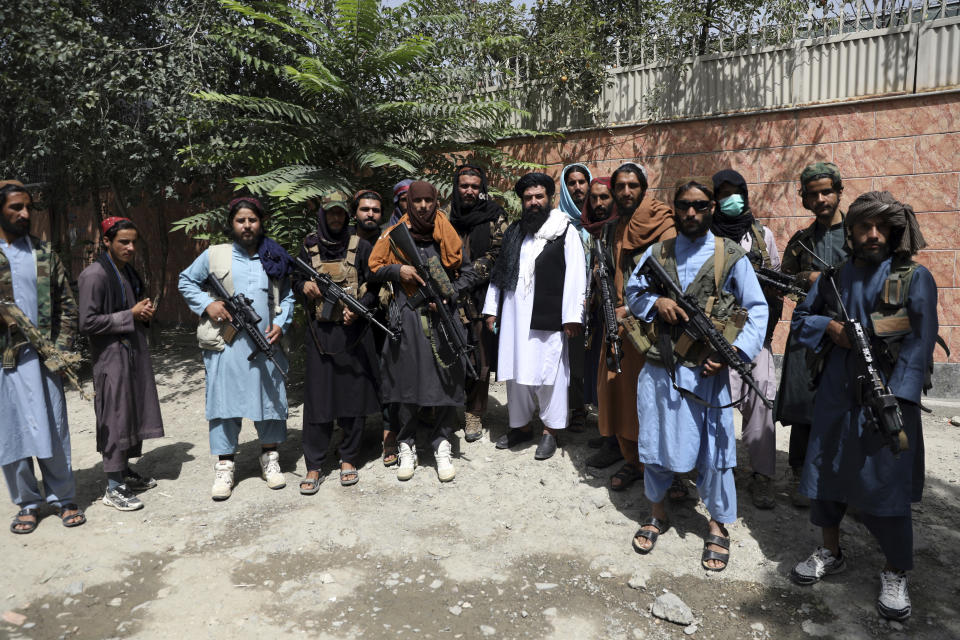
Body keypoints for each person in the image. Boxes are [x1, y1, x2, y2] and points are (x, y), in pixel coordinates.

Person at [789, 191, 937, 622]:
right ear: (850, 231)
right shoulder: (834, 277)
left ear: (893, 231)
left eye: (880, 227)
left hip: (888, 398)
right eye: (863, 226)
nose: (872, 235)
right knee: (826, 477)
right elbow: (800, 321)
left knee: (886, 489)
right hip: (835, 397)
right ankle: (830, 551)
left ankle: (895, 571)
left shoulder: (912, 276)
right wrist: (829, 326)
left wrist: (895, 395)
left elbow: (921, 335)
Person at [625, 177, 767, 572]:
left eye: (700, 206)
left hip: (707, 370)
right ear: (675, 209)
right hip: (661, 366)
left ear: (712, 209)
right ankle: (658, 512)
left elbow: (757, 310)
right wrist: (659, 301)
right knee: (654, 442)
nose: (691, 213)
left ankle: (718, 525)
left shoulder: (730, 255)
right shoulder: (657, 252)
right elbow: (633, 294)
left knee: (716, 450)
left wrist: (733, 353)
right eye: (684, 205)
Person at [178, 197, 295, 500]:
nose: (247, 225)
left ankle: (270, 459)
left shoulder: (274, 255)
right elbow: (186, 281)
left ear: (261, 222)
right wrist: (209, 304)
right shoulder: (215, 254)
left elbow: (289, 295)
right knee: (223, 404)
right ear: (232, 223)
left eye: (252, 220)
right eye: (241, 220)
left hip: (265, 342)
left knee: (270, 402)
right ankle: (225, 466)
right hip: (226, 344)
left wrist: (282, 324)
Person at [368, 181, 468, 482]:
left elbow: (456, 261)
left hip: (441, 314)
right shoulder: (394, 231)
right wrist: (399, 271)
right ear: (409, 202)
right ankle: (406, 444)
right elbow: (374, 267)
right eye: (418, 201)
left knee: (445, 379)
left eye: (429, 200)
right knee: (407, 382)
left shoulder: (443, 226)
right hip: (409, 314)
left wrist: (446, 295)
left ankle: (441, 443)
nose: (424, 206)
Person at [0, 181, 85, 533]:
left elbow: (67, 305)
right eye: (15, 207)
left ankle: (63, 498)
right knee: (12, 433)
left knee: (54, 428)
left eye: (28, 208)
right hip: (5, 362)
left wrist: (61, 351)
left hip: (45, 358)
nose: (24, 214)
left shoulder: (44, 253)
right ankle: (28, 502)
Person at [483, 172, 586, 460]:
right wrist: (492, 309)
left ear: (550, 198)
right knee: (517, 373)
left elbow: (577, 277)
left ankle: (550, 431)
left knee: (549, 372)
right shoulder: (515, 233)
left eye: (539, 196)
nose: (533, 202)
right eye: (528, 198)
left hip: (549, 317)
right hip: (515, 318)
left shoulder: (565, 231)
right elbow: (499, 274)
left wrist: (572, 316)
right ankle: (520, 426)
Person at [594, 163, 675, 490]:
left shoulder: (663, 224)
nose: (626, 192)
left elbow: (672, 280)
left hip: (652, 325)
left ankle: (663, 468)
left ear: (643, 188)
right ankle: (633, 462)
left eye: (633, 185)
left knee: (654, 400)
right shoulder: (614, 226)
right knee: (621, 395)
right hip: (620, 326)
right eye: (621, 186)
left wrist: (637, 305)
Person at [294, 194, 381, 491]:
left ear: (347, 216)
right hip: (319, 334)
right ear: (322, 214)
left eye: (340, 214)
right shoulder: (308, 247)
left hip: (352, 333)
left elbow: (374, 284)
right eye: (330, 214)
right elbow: (293, 278)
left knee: (352, 398)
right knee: (318, 399)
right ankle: (314, 464)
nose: (335, 219)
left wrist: (359, 308)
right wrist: (302, 284)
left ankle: (348, 458)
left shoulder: (362, 246)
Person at [774, 162, 848, 508]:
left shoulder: (859, 233)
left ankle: (844, 478)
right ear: (804, 199)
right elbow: (783, 282)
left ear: (838, 191)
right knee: (805, 404)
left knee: (850, 404)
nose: (821, 199)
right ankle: (801, 473)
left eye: (826, 191)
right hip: (810, 331)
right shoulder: (801, 242)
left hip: (849, 332)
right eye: (813, 194)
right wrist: (807, 279)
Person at [78, 217, 164, 511]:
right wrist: (130, 314)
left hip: (131, 351)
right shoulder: (95, 275)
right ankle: (114, 486)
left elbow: (130, 308)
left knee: (131, 412)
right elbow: (87, 322)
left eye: (133, 242)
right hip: (110, 357)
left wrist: (143, 312)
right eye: (122, 242)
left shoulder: (125, 271)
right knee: (114, 416)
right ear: (106, 242)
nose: (130, 247)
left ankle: (124, 471)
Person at [710, 169, 780, 509]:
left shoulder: (762, 235)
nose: (730, 199)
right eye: (722, 193)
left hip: (755, 332)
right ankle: (717, 469)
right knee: (715, 402)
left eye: (735, 191)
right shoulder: (705, 237)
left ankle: (762, 475)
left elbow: (776, 287)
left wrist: (764, 335)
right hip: (715, 334)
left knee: (762, 399)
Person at [448, 164, 508, 443]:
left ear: (481, 188)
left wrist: (471, 274)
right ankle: (446, 407)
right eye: (464, 186)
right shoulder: (444, 216)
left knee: (479, 354)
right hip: (447, 294)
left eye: (474, 186)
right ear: (456, 187)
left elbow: (500, 252)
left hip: (482, 295)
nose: (469, 190)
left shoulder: (495, 215)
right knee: (447, 351)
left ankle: (474, 411)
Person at [556, 164, 593, 431]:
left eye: (582, 182)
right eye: (572, 182)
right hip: (567, 299)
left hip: (598, 298)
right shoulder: (556, 222)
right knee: (572, 353)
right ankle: (575, 407)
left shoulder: (601, 218)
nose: (578, 187)